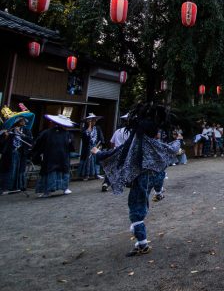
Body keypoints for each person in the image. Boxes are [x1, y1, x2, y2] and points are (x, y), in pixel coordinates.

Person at [93, 103, 183, 256]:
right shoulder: (153, 144)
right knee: (157, 179)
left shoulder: (139, 143)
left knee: (136, 210)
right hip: (154, 176)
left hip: (142, 179)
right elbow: (173, 149)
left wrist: (98, 153)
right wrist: (178, 140)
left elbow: (116, 152)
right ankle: (159, 192)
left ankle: (142, 244)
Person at [32, 114, 75, 197]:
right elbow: (39, 144)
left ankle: (55, 190)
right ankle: (52, 190)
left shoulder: (65, 133)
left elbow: (38, 144)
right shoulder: (50, 132)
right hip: (55, 156)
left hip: (58, 156)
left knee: (59, 171)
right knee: (54, 171)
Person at [0, 106, 35, 194]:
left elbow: (30, 140)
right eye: (22, 121)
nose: (24, 122)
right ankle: (7, 187)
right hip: (10, 153)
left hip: (21, 153)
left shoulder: (26, 131)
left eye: (24, 121)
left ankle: (18, 186)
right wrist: (6, 136)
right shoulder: (9, 130)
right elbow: (2, 142)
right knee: (10, 169)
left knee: (19, 169)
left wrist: (21, 134)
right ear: (17, 122)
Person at [77, 113, 104, 181]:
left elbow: (100, 137)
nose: (94, 122)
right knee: (87, 160)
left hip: (96, 146)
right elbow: (86, 135)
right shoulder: (84, 129)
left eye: (94, 120)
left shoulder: (97, 128)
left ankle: (96, 174)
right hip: (87, 147)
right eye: (92, 121)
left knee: (96, 160)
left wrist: (100, 145)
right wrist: (89, 125)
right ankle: (86, 175)